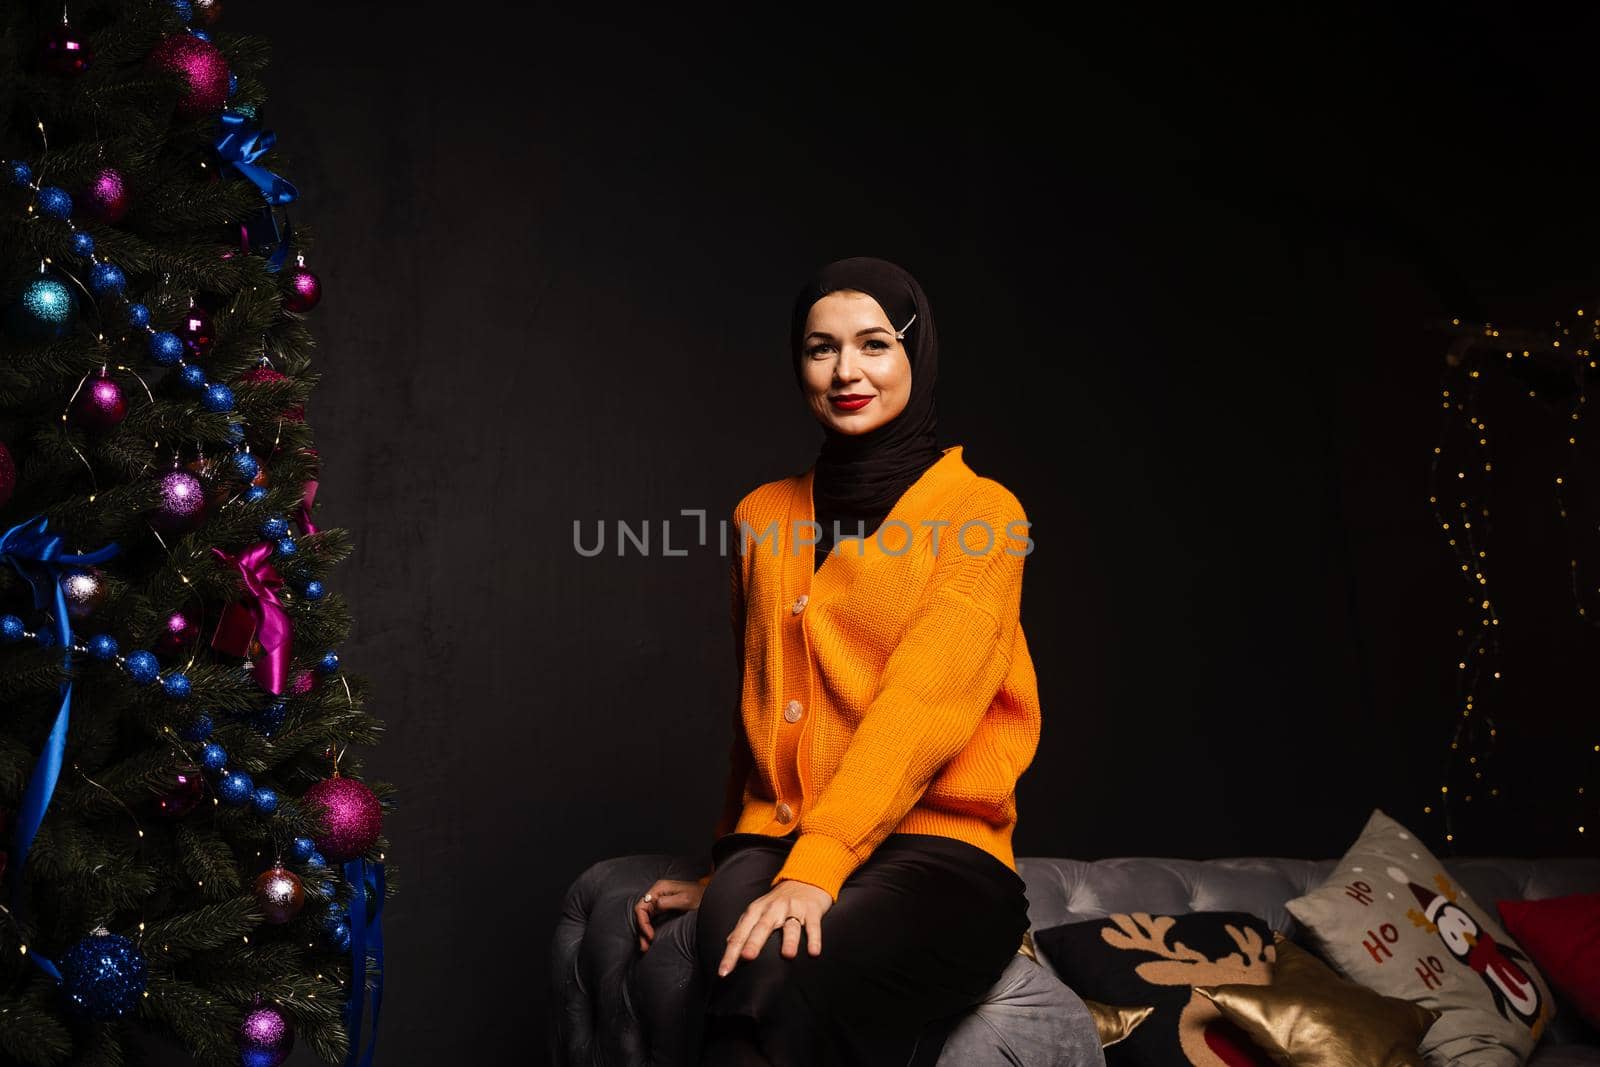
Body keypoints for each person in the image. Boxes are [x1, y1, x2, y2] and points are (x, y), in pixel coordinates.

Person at [634, 256, 1042, 1066]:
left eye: (874, 344)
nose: (846, 370)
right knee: (744, 957)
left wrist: (816, 867)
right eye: (821, 348)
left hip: (937, 853)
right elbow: (758, 708)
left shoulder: (982, 515)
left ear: (914, 356)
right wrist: (731, 861)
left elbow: (922, 706)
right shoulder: (763, 515)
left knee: (776, 977)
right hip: (777, 841)